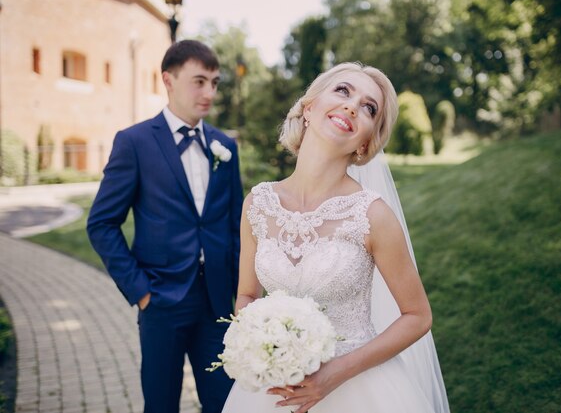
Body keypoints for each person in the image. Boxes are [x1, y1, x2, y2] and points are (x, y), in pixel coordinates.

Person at [220, 62, 449, 413]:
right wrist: (261, 346)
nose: (352, 105)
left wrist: (334, 374)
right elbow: (248, 294)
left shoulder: (372, 216)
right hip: (273, 391)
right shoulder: (259, 204)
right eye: (343, 90)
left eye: (368, 107)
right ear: (309, 108)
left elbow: (418, 316)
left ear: (366, 140)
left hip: (360, 391)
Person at [87, 40, 243, 413]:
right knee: (160, 404)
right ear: (168, 80)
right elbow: (102, 223)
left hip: (217, 303)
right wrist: (140, 290)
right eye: (199, 81)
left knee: (226, 404)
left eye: (215, 83)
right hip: (161, 301)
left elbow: (237, 225)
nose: (209, 93)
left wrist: (241, 289)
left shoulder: (225, 146)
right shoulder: (135, 142)